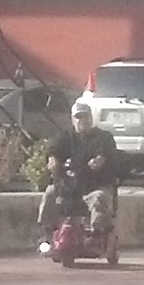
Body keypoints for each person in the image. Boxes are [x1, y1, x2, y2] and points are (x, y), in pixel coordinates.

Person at [39, 104, 120, 251]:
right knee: (50, 192)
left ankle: (95, 236)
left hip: (94, 186)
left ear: (91, 118)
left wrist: (100, 160)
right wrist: (52, 159)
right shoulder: (65, 136)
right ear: (72, 119)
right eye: (78, 117)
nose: (82, 120)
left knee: (99, 198)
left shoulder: (103, 137)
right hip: (70, 187)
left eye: (85, 116)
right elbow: (53, 149)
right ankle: (46, 233)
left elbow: (106, 153)